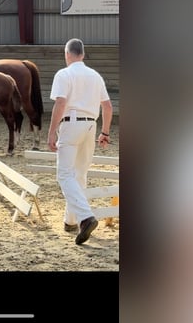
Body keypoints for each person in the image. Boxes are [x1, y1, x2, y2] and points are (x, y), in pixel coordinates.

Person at [47, 38, 113, 245]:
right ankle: (70, 221)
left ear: (67, 54)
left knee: (64, 174)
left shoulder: (64, 74)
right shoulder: (95, 76)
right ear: (82, 54)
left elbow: (60, 102)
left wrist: (51, 132)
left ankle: (86, 218)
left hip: (71, 124)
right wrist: (105, 133)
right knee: (79, 175)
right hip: (92, 126)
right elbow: (108, 106)